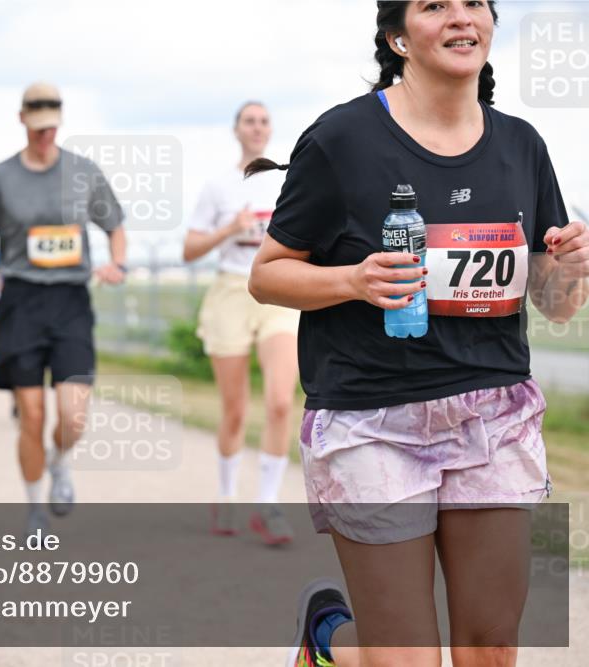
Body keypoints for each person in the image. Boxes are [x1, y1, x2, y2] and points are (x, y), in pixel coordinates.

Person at [246, 2, 588, 666]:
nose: (461, 18)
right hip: (372, 417)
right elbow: (267, 275)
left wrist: (572, 269)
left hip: (493, 416)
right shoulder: (342, 139)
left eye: (474, 4)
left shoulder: (522, 145)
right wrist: (353, 280)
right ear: (398, 37)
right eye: (435, 5)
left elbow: (554, 303)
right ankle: (327, 640)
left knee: (491, 648)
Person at [0, 82, 127, 542]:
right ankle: (35, 508)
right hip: (21, 302)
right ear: (22, 121)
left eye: (52, 127)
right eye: (37, 128)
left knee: (73, 415)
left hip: (71, 301)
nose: (46, 135)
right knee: (30, 415)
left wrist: (117, 262)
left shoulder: (83, 172)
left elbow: (115, 224)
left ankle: (60, 461)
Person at [183, 101, 299, 544]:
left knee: (280, 402)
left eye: (263, 121)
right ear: (236, 130)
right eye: (249, 121)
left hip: (277, 291)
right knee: (234, 409)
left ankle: (268, 504)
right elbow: (189, 250)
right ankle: (227, 493)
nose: (257, 127)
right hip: (232, 291)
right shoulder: (219, 185)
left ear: (270, 130)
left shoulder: (288, 180)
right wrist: (229, 229)